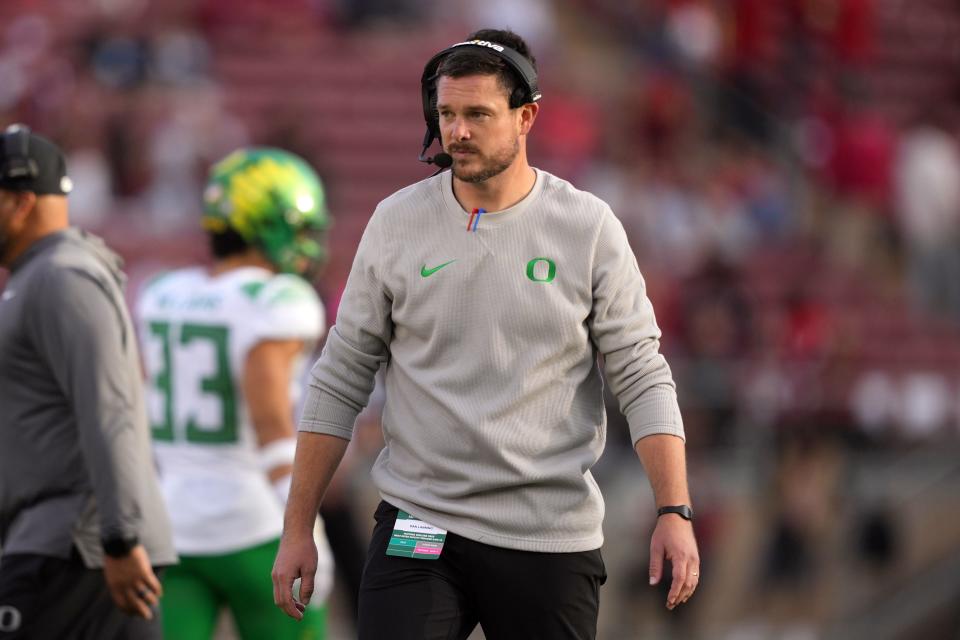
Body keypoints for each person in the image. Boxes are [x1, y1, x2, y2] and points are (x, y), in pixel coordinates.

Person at [273, 28, 700, 639]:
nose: (458, 131)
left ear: (526, 117)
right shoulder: (397, 221)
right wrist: (297, 527)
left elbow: (641, 373)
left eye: (478, 114)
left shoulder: (587, 227)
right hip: (421, 522)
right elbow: (339, 376)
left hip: (547, 532)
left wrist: (674, 510)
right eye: (446, 114)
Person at [135, 147, 335, 640]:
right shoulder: (275, 299)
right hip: (255, 528)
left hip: (173, 529)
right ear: (267, 222)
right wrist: (307, 529)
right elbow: (269, 419)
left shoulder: (163, 291)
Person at [0, 123, 176, 639]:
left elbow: (110, 409)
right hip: (66, 543)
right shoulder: (36, 278)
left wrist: (117, 539)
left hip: (78, 546)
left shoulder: (62, 277)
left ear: (21, 202)